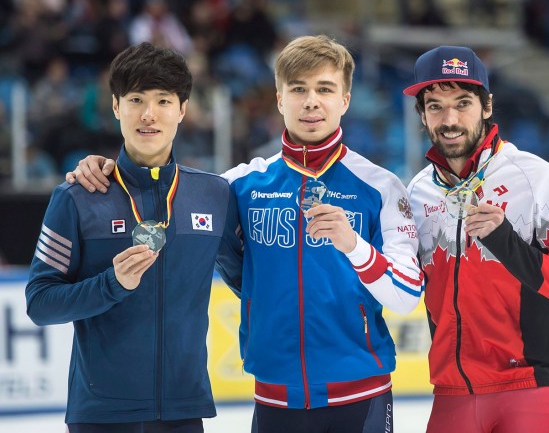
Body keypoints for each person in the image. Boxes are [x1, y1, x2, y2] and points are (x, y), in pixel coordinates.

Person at [67, 35, 424, 433]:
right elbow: (162, 187)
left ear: (345, 99)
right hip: (274, 397)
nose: (311, 102)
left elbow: (407, 295)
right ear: (279, 98)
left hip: (362, 396)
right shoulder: (238, 185)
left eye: (325, 89)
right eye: (298, 90)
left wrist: (354, 246)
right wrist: (104, 169)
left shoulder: (382, 187)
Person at [26, 42, 242, 433]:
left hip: (184, 411)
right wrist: (112, 284)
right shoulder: (77, 196)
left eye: (163, 100)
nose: (148, 114)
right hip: (101, 416)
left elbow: (251, 281)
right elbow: (40, 304)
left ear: (183, 110)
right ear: (115, 106)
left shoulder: (215, 196)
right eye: (136, 98)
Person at [403, 45, 549, 433]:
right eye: (435, 106)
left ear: (487, 105)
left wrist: (507, 242)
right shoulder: (416, 193)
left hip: (532, 389)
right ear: (422, 115)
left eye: (463, 103)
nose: (449, 119)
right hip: (453, 394)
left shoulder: (536, 179)